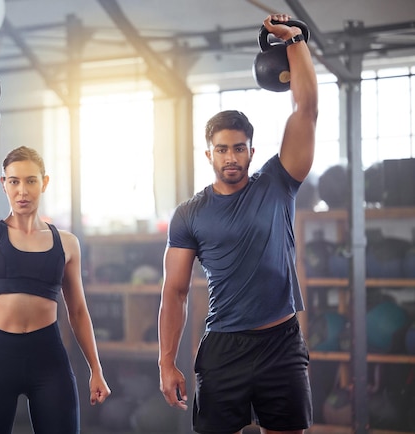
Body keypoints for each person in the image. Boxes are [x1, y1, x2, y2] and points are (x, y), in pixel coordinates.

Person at [158, 14, 318, 434]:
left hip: (280, 342)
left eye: (239, 148)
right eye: (222, 149)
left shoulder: (278, 184)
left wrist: (296, 40)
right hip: (224, 348)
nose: (231, 157)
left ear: (251, 151)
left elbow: (306, 108)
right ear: (208, 154)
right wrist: (166, 361)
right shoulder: (189, 213)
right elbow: (174, 293)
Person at [0, 66, 111, 434]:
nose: (22, 190)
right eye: (14, 181)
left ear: (43, 183)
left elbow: (77, 310)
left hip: (48, 361)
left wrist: (96, 370)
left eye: (30, 181)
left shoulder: (66, 243)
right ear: (4, 185)